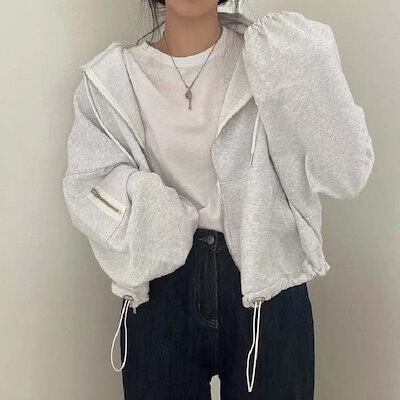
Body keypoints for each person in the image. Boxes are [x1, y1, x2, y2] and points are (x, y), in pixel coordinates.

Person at [62, 1, 375, 398]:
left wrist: (307, 60)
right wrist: (158, 215)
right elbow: (86, 184)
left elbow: (347, 174)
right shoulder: (110, 80)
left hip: (267, 287)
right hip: (159, 289)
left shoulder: (274, 56)